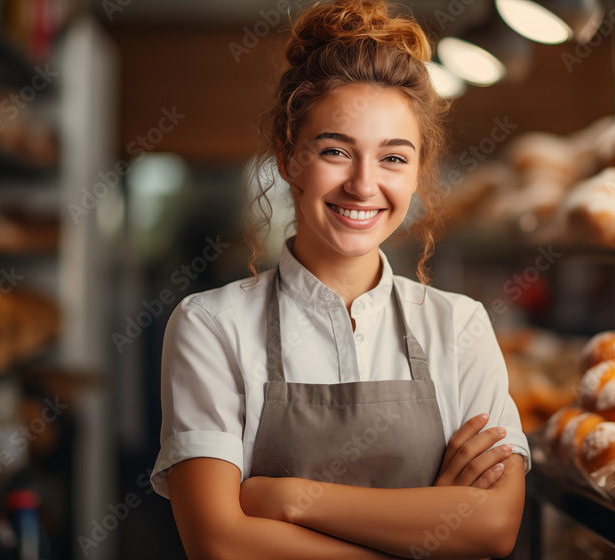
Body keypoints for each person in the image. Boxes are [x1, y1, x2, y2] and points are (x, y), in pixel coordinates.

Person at [151, 1, 530, 558]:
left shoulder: (460, 325)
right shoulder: (211, 326)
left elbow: (493, 529)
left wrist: (293, 499)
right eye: (335, 151)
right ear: (287, 157)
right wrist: (428, 531)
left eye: (393, 159)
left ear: (419, 170)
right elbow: (219, 542)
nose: (363, 184)